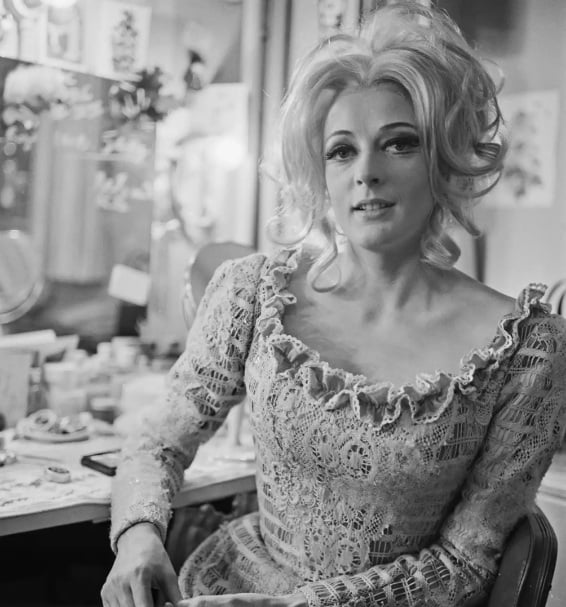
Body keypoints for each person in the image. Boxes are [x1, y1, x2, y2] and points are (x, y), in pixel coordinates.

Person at [101, 2, 566, 606]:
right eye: (342, 150)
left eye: (399, 144)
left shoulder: (528, 349)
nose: (366, 172)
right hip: (223, 590)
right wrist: (138, 535)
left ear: (444, 157)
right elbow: (157, 442)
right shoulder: (253, 293)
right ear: (320, 171)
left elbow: (466, 563)